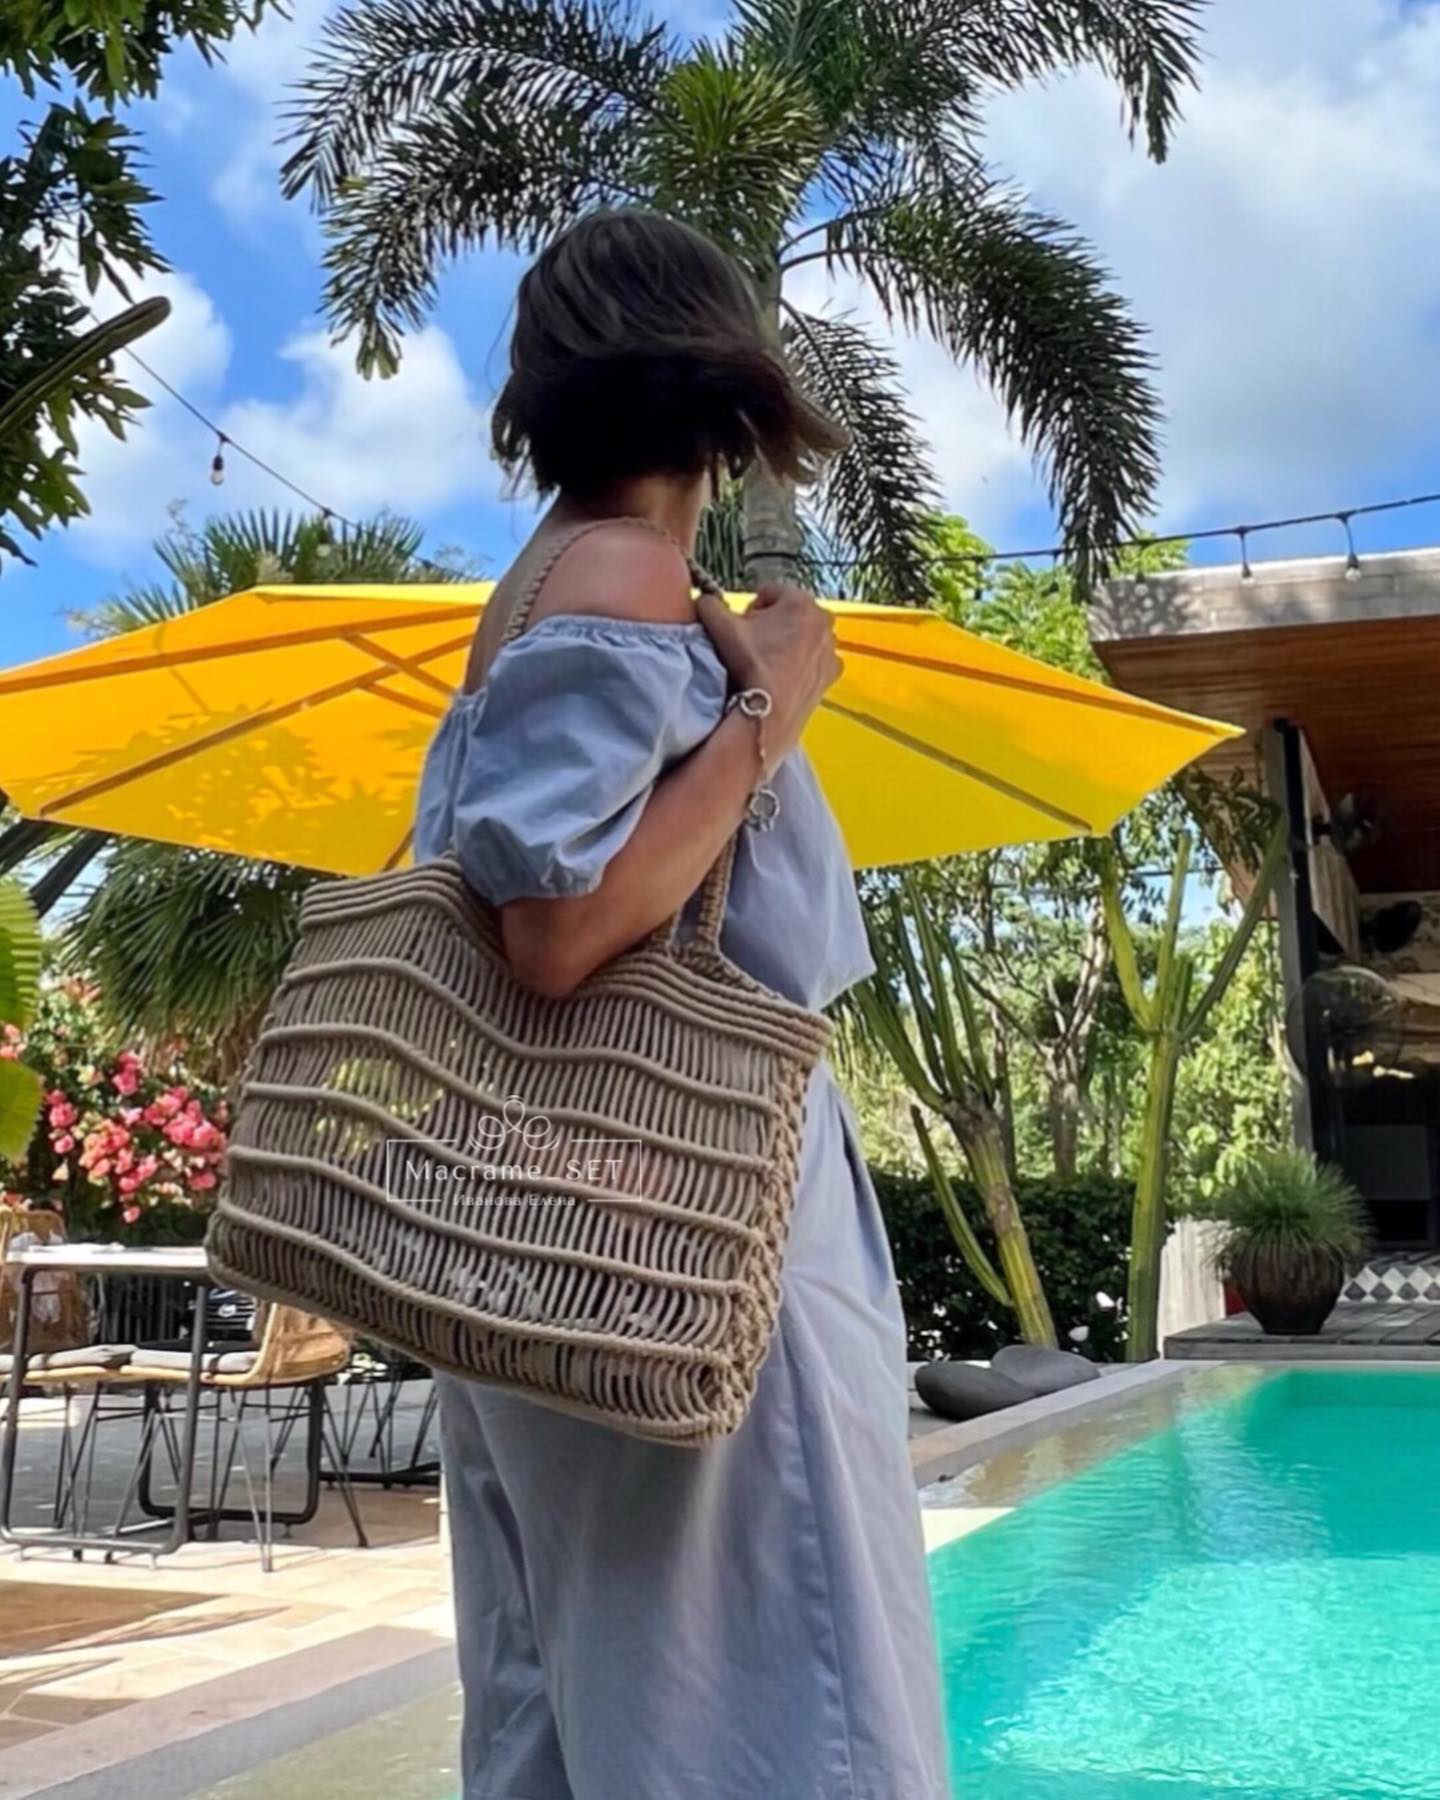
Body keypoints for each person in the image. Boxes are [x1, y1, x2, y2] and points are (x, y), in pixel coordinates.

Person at [414, 208, 949, 1800]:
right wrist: (771, 709)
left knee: (587, 1704)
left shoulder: (538, 587)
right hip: (691, 1210)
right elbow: (557, 923)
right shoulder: (630, 576)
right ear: (722, 383)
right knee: (778, 1705)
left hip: (549, 1211)